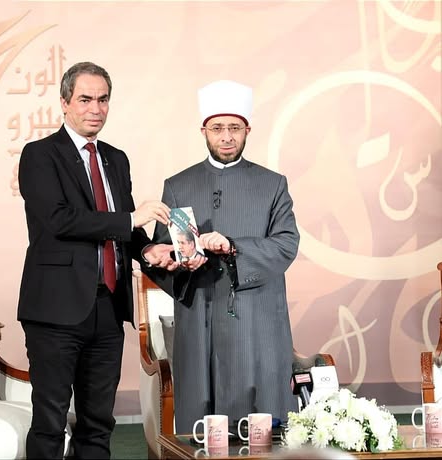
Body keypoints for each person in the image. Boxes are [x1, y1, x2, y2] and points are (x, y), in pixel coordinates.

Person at [17, 61, 177, 459]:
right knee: (50, 423)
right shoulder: (40, 155)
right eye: (85, 99)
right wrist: (130, 220)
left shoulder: (115, 159)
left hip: (107, 308)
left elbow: (123, 227)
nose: (96, 109)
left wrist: (147, 250)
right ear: (64, 103)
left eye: (103, 100)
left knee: (98, 425)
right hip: (55, 311)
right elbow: (59, 220)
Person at [148, 79, 300, 434]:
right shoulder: (178, 185)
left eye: (235, 128)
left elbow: (286, 244)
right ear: (204, 131)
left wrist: (233, 247)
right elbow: (162, 253)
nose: (227, 137)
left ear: (247, 130)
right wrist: (175, 260)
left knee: (264, 427)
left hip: (258, 318)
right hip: (200, 315)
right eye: (217, 128)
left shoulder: (273, 184)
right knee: (201, 427)